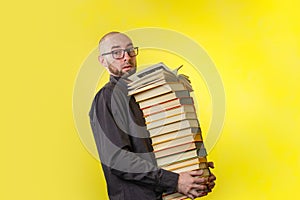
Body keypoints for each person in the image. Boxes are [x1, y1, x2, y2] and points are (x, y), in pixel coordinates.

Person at [89, 31, 216, 200]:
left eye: (130, 50)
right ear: (103, 60)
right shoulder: (107, 98)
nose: (126, 57)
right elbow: (118, 159)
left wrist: (195, 171)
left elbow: (157, 151)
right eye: (116, 52)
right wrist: (176, 181)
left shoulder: (146, 94)